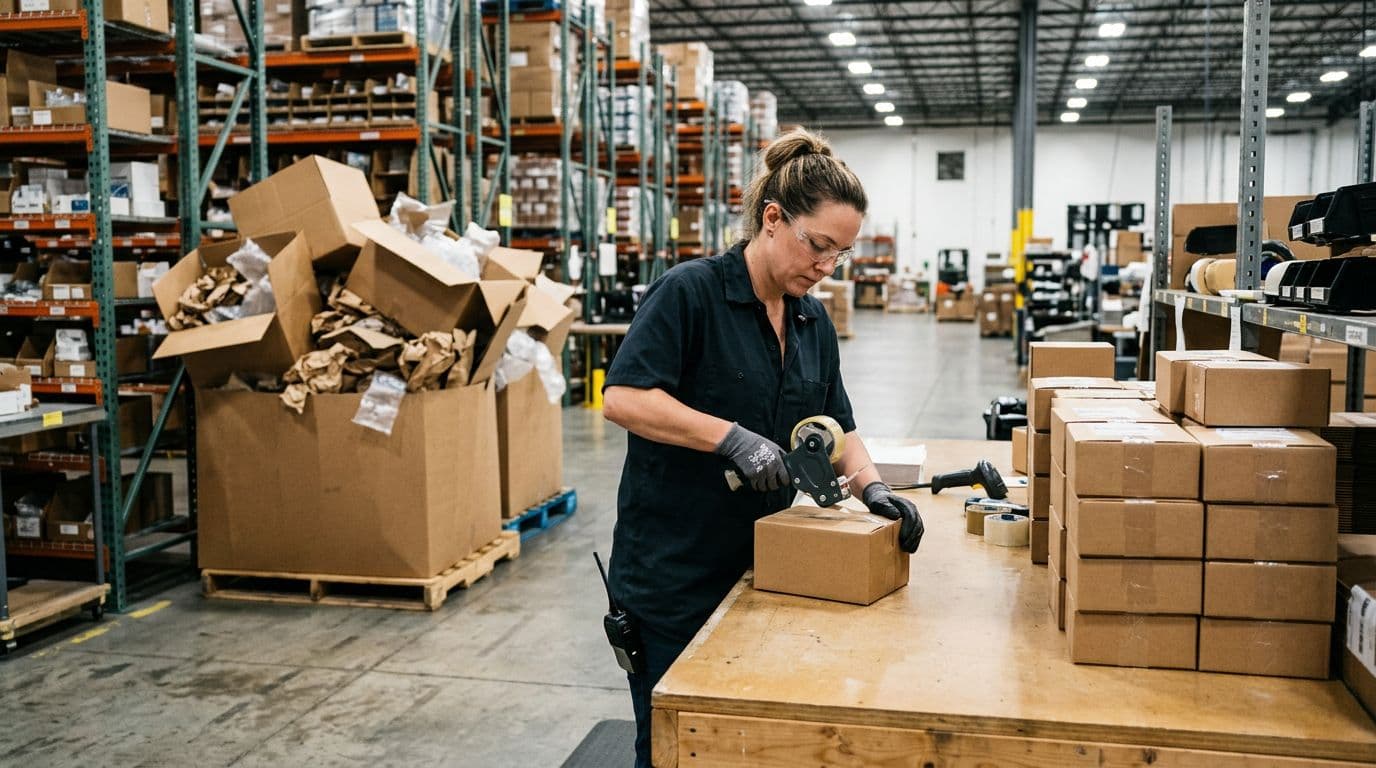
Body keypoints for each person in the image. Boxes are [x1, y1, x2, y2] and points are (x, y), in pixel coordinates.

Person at [601, 127, 923, 768]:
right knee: (674, 746)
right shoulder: (691, 293)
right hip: (675, 578)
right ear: (773, 219)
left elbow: (838, 424)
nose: (827, 267)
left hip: (762, 574)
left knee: (744, 745)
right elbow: (625, 398)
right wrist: (730, 437)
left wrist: (872, 487)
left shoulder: (811, 320)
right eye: (819, 246)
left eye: (841, 255)